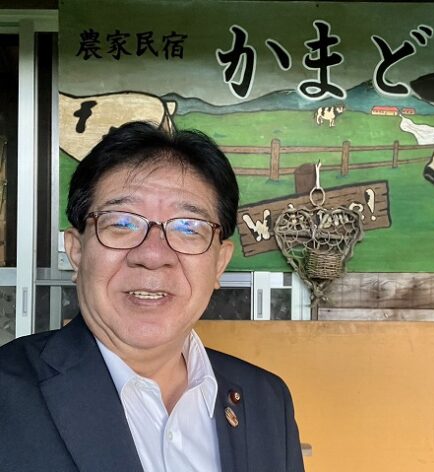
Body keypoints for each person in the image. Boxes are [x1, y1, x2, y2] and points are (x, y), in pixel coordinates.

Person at [0, 121, 305, 472]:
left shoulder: (266, 401)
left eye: (188, 227)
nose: (153, 255)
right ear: (77, 251)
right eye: (122, 223)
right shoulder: (8, 397)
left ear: (219, 263)